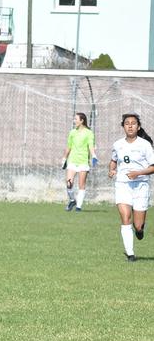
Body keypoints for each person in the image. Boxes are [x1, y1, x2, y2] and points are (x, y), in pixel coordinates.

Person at [108, 113, 154, 262]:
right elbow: (113, 161)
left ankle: (139, 230)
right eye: (127, 123)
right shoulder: (117, 144)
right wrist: (112, 170)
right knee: (125, 217)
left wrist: (138, 173)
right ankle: (130, 254)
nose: (130, 125)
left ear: (138, 126)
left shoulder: (145, 144)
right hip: (122, 185)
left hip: (141, 185)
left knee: (138, 225)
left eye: (133, 123)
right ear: (123, 127)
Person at [62, 112, 97, 212]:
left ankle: (79, 206)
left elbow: (91, 146)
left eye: (76, 119)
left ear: (82, 121)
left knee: (81, 185)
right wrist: (64, 158)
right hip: (72, 160)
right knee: (69, 183)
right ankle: (72, 200)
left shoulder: (89, 133)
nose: (74, 121)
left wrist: (94, 156)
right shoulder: (72, 132)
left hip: (83, 162)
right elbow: (69, 146)